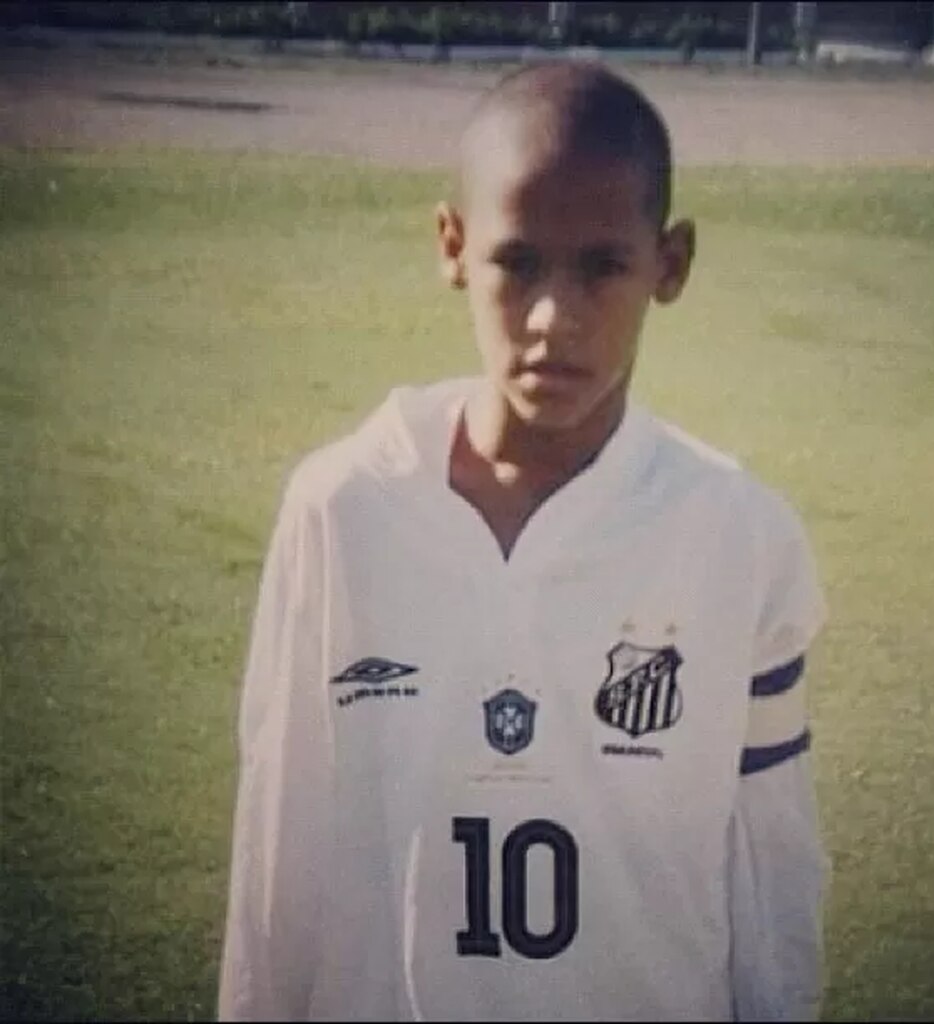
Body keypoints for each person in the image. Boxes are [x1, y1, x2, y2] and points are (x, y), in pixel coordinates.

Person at [218, 60, 828, 1022]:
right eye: (519, 262)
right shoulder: (342, 509)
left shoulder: (742, 537)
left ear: (669, 264)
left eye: (602, 266)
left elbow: (770, 874)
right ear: (453, 245)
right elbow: (278, 848)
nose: (554, 319)